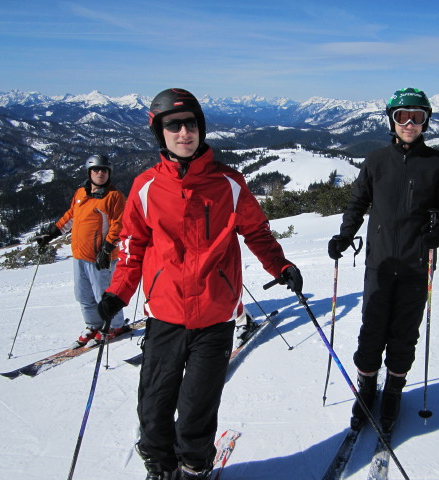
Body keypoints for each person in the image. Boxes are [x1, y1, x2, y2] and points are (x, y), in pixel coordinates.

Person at [96, 88, 303, 480]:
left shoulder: (228, 182)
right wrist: (116, 293)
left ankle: (193, 468)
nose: (183, 133)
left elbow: (256, 232)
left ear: (200, 128)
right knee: (154, 409)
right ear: (160, 133)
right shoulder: (144, 187)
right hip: (166, 314)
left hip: (215, 313)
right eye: (173, 126)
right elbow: (132, 247)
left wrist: (281, 266)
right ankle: (160, 467)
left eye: (190, 123)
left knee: (197, 409)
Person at [328, 87, 439, 433]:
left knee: (404, 334)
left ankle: (393, 392)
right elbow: (358, 203)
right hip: (381, 263)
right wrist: (345, 235)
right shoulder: (376, 161)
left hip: (418, 264)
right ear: (392, 120)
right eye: (403, 116)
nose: (410, 123)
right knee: (372, 330)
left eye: (417, 117)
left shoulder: (437, 163)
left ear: (426, 122)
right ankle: (367, 389)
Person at [35, 154, 127, 347]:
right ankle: (94, 325)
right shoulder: (80, 194)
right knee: (83, 295)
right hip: (80, 255)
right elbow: (71, 216)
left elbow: (119, 225)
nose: (100, 173)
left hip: (101, 257)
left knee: (105, 295)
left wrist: (107, 249)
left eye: (104, 170)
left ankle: (115, 326)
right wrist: (51, 234)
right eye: (96, 170)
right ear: (89, 172)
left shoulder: (114, 197)